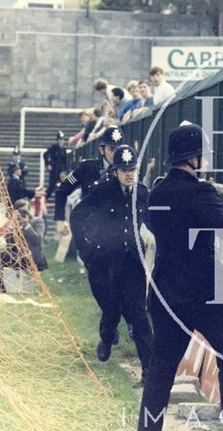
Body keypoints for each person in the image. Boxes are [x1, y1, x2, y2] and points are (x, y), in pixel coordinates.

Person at [137, 123, 223, 431]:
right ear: (194, 158)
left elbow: (191, 222)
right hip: (206, 293)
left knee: (161, 368)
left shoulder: (157, 192)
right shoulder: (201, 191)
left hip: (167, 291)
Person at [70, 145, 153, 371]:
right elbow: (77, 216)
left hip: (133, 264)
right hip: (106, 264)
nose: (129, 174)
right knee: (111, 310)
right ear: (115, 171)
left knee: (139, 315)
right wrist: (85, 250)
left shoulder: (142, 193)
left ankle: (148, 370)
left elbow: (153, 222)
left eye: (133, 169)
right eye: (124, 169)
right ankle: (106, 339)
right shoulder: (102, 191)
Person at [54, 126, 124, 236]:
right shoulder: (87, 168)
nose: (115, 154)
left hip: (116, 233)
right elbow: (62, 190)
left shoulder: (127, 172)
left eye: (118, 150)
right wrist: (60, 220)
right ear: (102, 150)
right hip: (89, 232)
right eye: (111, 149)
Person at [43, 131, 67, 198]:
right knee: (52, 186)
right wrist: (48, 164)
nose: (61, 141)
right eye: (59, 139)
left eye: (62, 139)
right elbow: (45, 154)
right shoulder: (53, 147)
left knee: (62, 186)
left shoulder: (64, 149)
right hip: (54, 169)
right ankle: (45, 199)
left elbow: (64, 160)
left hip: (61, 171)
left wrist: (64, 170)